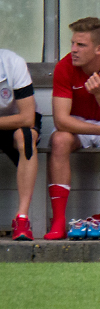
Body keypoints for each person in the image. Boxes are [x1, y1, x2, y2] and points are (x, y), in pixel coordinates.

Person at [45, 17, 100, 240]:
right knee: (59, 140)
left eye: (81, 45)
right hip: (80, 125)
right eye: (72, 43)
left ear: (99, 49)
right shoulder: (64, 67)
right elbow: (61, 121)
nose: (73, 50)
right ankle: (58, 221)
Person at [1, 48, 41, 241]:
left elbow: (27, 118)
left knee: (26, 138)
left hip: (18, 122)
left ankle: (22, 219)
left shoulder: (13, 62)